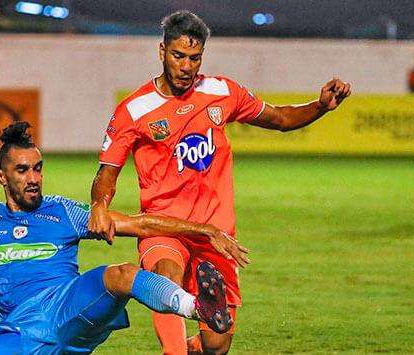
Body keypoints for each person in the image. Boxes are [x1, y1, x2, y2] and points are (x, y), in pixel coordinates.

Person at [88, 10, 351, 355]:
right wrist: (99, 205)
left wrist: (320, 106)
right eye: (178, 56)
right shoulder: (135, 110)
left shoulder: (221, 92)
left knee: (216, 346)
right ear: (162, 51)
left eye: (194, 58)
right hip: (164, 229)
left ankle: (194, 348)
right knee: (165, 277)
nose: (185, 66)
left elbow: (280, 118)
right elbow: (106, 173)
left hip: (216, 235)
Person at [0, 122, 251, 354]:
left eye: (38, 168)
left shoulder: (62, 212)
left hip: (71, 309)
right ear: (2, 177)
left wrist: (203, 229)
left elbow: (140, 224)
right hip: (21, 330)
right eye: (22, 170)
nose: (33, 178)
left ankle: (198, 308)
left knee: (119, 275)